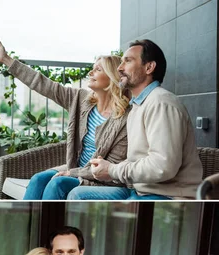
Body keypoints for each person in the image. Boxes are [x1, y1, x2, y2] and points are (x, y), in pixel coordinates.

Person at [0, 36, 130, 200]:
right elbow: (44, 85)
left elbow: (112, 167)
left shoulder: (123, 118)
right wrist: (6, 59)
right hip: (76, 169)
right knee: (38, 179)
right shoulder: (81, 99)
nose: (90, 72)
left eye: (98, 70)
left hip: (101, 179)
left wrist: (71, 172)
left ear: (111, 77)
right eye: (92, 68)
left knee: (57, 184)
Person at [68, 39, 203, 200]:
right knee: (66, 187)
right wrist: (110, 170)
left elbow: (162, 166)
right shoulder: (137, 106)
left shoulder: (161, 103)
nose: (119, 67)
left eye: (128, 61)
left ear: (149, 67)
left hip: (168, 196)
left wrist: (112, 170)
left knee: (78, 195)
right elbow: (136, 160)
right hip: (141, 189)